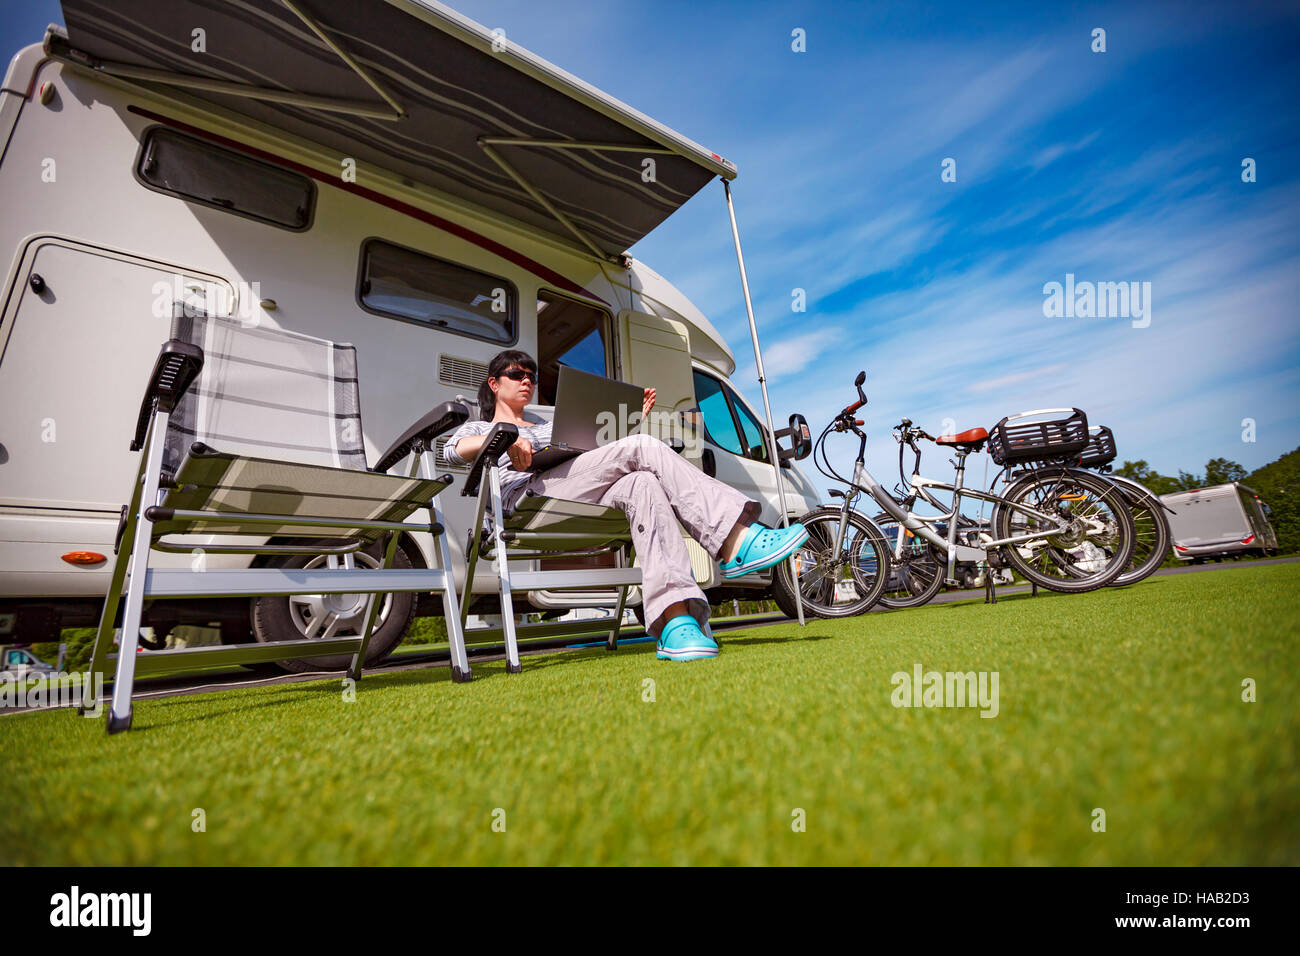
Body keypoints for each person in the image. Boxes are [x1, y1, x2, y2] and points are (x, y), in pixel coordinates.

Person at [444, 349, 808, 661]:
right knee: (644, 447)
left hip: (574, 488)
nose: (527, 381)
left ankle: (676, 622)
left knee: (644, 482)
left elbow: (593, 457)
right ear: (494, 383)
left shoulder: (549, 421)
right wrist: (502, 439)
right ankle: (734, 538)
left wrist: (627, 422)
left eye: (531, 376)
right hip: (525, 501)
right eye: (516, 374)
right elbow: (451, 451)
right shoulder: (477, 427)